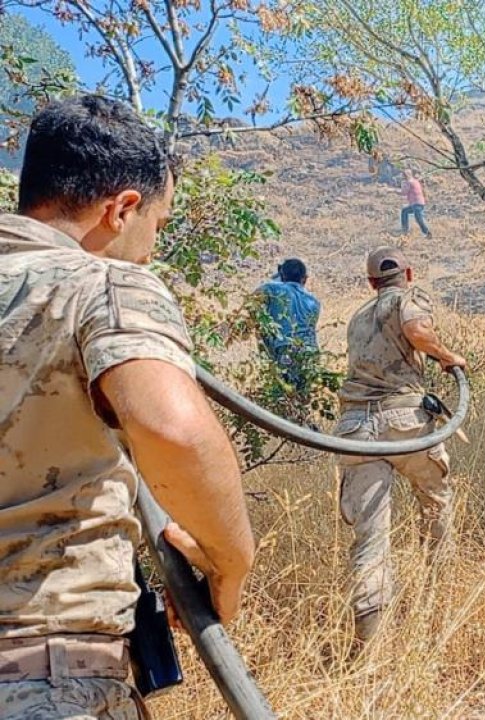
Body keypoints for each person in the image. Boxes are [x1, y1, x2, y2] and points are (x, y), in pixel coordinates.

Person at [0, 95, 255, 718]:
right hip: (40, 670)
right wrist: (231, 563)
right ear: (122, 209)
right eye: (157, 229)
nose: (151, 251)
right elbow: (174, 430)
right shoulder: (103, 284)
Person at [334, 247, 466, 642]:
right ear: (407, 273)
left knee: (371, 537)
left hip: (356, 430)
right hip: (404, 422)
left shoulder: (358, 316)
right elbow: (417, 330)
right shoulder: (410, 297)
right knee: (436, 499)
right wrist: (446, 357)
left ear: (371, 283)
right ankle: (441, 605)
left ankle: (369, 644)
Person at [256, 257, 321, 390]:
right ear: (305, 279)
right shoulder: (314, 301)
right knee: (303, 394)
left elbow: (252, 303)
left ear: (282, 275)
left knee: (281, 392)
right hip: (310, 353)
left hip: (286, 350)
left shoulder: (272, 290)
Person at [399, 168, 431, 237]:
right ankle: (405, 230)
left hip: (416, 204)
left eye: (403, 175)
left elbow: (403, 192)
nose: (402, 176)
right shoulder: (414, 181)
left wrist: (391, 190)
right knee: (404, 211)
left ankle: (427, 233)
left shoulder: (409, 182)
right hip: (418, 203)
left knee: (419, 219)